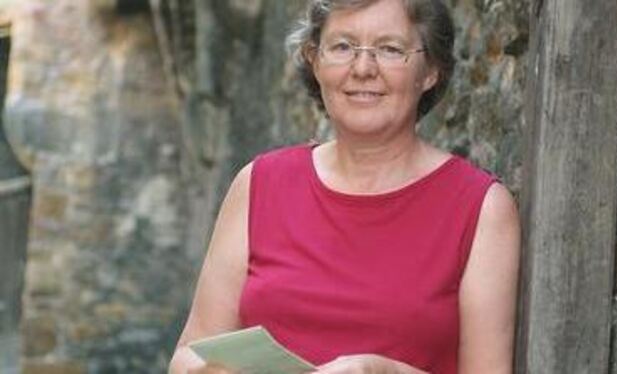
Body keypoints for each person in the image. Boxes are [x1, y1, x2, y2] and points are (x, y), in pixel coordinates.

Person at [169, 0, 520, 373]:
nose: (363, 69)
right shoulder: (258, 184)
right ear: (314, 61)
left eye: (390, 49)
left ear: (430, 69)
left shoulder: (481, 209)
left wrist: (388, 373)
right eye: (342, 47)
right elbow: (189, 353)